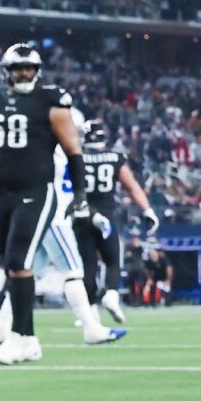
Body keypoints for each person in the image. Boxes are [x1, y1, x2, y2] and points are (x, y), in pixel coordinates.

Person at [0, 44, 98, 364]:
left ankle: (19, 337)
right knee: (10, 258)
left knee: (19, 261)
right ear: (7, 70)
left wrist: (81, 196)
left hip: (37, 191)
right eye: (18, 68)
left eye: (29, 67)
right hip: (1, 193)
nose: (24, 73)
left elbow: (73, 150)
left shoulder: (51, 99)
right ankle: (27, 340)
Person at [70, 118, 159, 325]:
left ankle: (90, 310)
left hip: (82, 215)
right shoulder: (114, 157)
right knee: (112, 260)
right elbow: (132, 187)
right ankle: (111, 293)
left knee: (88, 264)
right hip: (107, 213)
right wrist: (147, 210)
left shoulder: (76, 157)